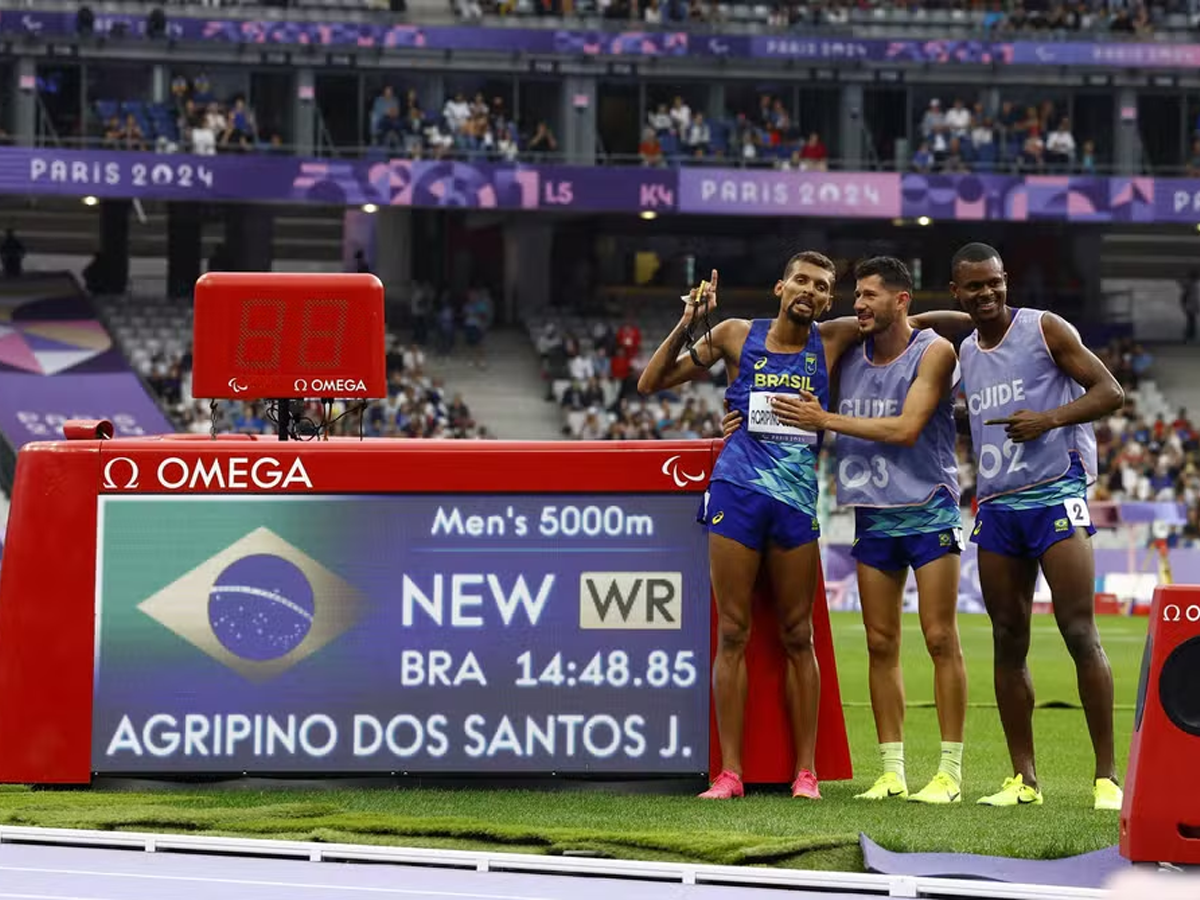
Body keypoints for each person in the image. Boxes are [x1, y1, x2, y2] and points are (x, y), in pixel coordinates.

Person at [638, 253, 965, 801]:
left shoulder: (834, 338)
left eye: (822, 286)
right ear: (780, 285)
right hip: (737, 492)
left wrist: (983, 312)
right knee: (733, 631)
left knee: (798, 635)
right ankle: (731, 773)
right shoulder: (736, 333)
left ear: (828, 299)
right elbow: (653, 381)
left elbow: (912, 321)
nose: (809, 290)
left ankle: (805, 772)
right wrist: (691, 319)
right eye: (801, 280)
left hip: (794, 501)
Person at [737, 256, 969, 805]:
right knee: (880, 643)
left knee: (939, 638)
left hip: (928, 505)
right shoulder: (843, 357)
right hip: (872, 510)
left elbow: (909, 428)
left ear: (901, 300)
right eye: (856, 295)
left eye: (868, 295)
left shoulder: (933, 351)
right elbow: (784, 387)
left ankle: (950, 774)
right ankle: (891, 771)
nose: (857, 304)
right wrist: (741, 415)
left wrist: (827, 421)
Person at [950, 242, 1124, 810]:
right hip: (998, 506)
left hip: (1055, 494)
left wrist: (1048, 418)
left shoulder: (1044, 328)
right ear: (958, 292)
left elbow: (1110, 392)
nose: (987, 293)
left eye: (994, 282)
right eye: (974, 286)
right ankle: (1023, 780)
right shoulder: (965, 352)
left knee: (1079, 632)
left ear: (1007, 280)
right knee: (1007, 640)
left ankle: (1106, 778)